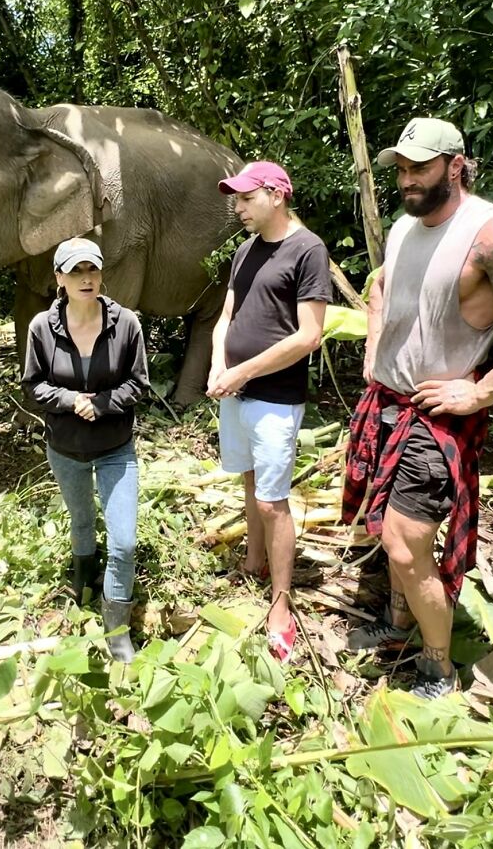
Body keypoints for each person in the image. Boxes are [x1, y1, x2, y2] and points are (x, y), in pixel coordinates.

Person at [343, 117, 493, 698]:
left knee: (408, 545)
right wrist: (373, 346)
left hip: (433, 420)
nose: (407, 179)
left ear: (455, 165)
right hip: (386, 402)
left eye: (420, 167)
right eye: (401, 169)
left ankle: (439, 668)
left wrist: (480, 392)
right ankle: (399, 625)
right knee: (388, 535)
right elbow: (381, 285)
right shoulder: (407, 228)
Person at [207, 161, 332, 663]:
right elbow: (226, 317)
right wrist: (220, 364)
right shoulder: (244, 250)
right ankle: (252, 561)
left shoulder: (308, 250)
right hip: (234, 389)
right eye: (235, 200)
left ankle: (281, 604)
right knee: (249, 483)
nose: (237, 209)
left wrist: (244, 372)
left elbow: (308, 335)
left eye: (245, 198)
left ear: (277, 194)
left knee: (272, 500)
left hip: (275, 395)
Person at [22, 237, 149, 662]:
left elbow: (139, 383)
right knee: (81, 520)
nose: (86, 279)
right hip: (65, 447)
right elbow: (34, 383)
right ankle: (83, 578)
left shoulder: (126, 322)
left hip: (115, 446)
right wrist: (68, 400)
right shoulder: (42, 327)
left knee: (125, 542)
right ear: (59, 278)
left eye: (92, 270)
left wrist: (102, 404)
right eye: (75, 271)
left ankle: (116, 629)